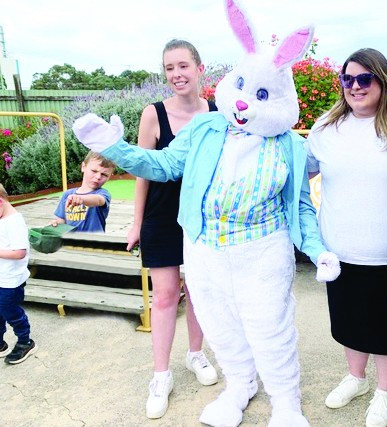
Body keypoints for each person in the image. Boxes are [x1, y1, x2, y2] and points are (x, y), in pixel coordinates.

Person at [72, 4, 339, 424]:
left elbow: (301, 206)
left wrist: (318, 249)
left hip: (262, 251)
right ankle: (240, 386)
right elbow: (161, 166)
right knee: (220, 326)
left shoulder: (288, 144)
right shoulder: (205, 128)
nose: (249, 103)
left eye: (263, 95)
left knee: (270, 328)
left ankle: (286, 401)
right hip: (204, 249)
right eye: (245, 88)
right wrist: (112, 145)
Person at [305, 48, 387, 427]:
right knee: (349, 323)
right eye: (348, 79)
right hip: (339, 253)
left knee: (386, 329)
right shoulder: (325, 129)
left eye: (365, 79)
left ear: (382, 82)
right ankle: (356, 379)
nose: (356, 86)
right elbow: (302, 177)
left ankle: (384, 391)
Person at [125, 39, 219, 420]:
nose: (176, 74)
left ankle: (196, 354)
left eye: (183, 66)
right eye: (169, 68)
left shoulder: (216, 112)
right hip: (162, 218)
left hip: (202, 218)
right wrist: (136, 222)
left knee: (198, 293)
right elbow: (142, 172)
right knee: (165, 297)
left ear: (199, 67)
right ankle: (161, 375)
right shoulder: (153, 114)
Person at [0, 183, 37, 365]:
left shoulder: (14, 222)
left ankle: (25, 342)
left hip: (11, 281)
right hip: (1, 277)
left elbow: (19, 253)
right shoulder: (2, 218)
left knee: (10, 312)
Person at [51, 151, 116, 232]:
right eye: (94, 171)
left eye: (104, 175)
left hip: (94, 243)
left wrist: (81, 199)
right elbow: (62, 220)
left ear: (109, 176)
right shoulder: (67, 194)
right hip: (71, 242)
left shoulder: (103, 194)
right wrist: (56, 225)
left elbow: (98, 200)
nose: (98, 177)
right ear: (83, 167)